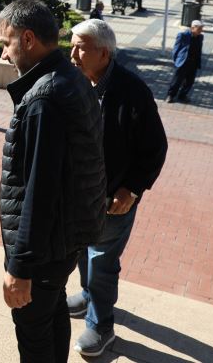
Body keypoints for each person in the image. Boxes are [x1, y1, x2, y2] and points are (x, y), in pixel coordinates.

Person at [0, 0, 106, 363]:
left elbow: (39, 191)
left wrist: (20, 268)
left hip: (45, 250)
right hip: (62, 242)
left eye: (6, 43)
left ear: (28, 39)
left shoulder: (44, 98)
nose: (4, 54)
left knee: (33, 333)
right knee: (52, 310)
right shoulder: (71, 79)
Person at [67, 19, 167, 357]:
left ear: (104, 53)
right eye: (72, 45)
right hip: (80, 194)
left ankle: (101, 325)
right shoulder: (78, 82)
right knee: (83, 250)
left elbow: (155, 147)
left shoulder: (132, 91)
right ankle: (87, 295)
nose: (72, 54)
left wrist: (132, 188)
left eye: (80, 48)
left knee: (102, 262)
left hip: (113, 198)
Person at [166, 19, 205, 103]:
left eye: (201, 28)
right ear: (192, 28)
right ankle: (171, 95)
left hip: (193, 63)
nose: (201, 30)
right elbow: (176, 49)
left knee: (189, 82)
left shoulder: (200, 37)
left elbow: (199, 50)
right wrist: (176, 61)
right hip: (183, 62)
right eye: (199, 29)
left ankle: (182, 95)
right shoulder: (183, 35)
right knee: (177, 80)